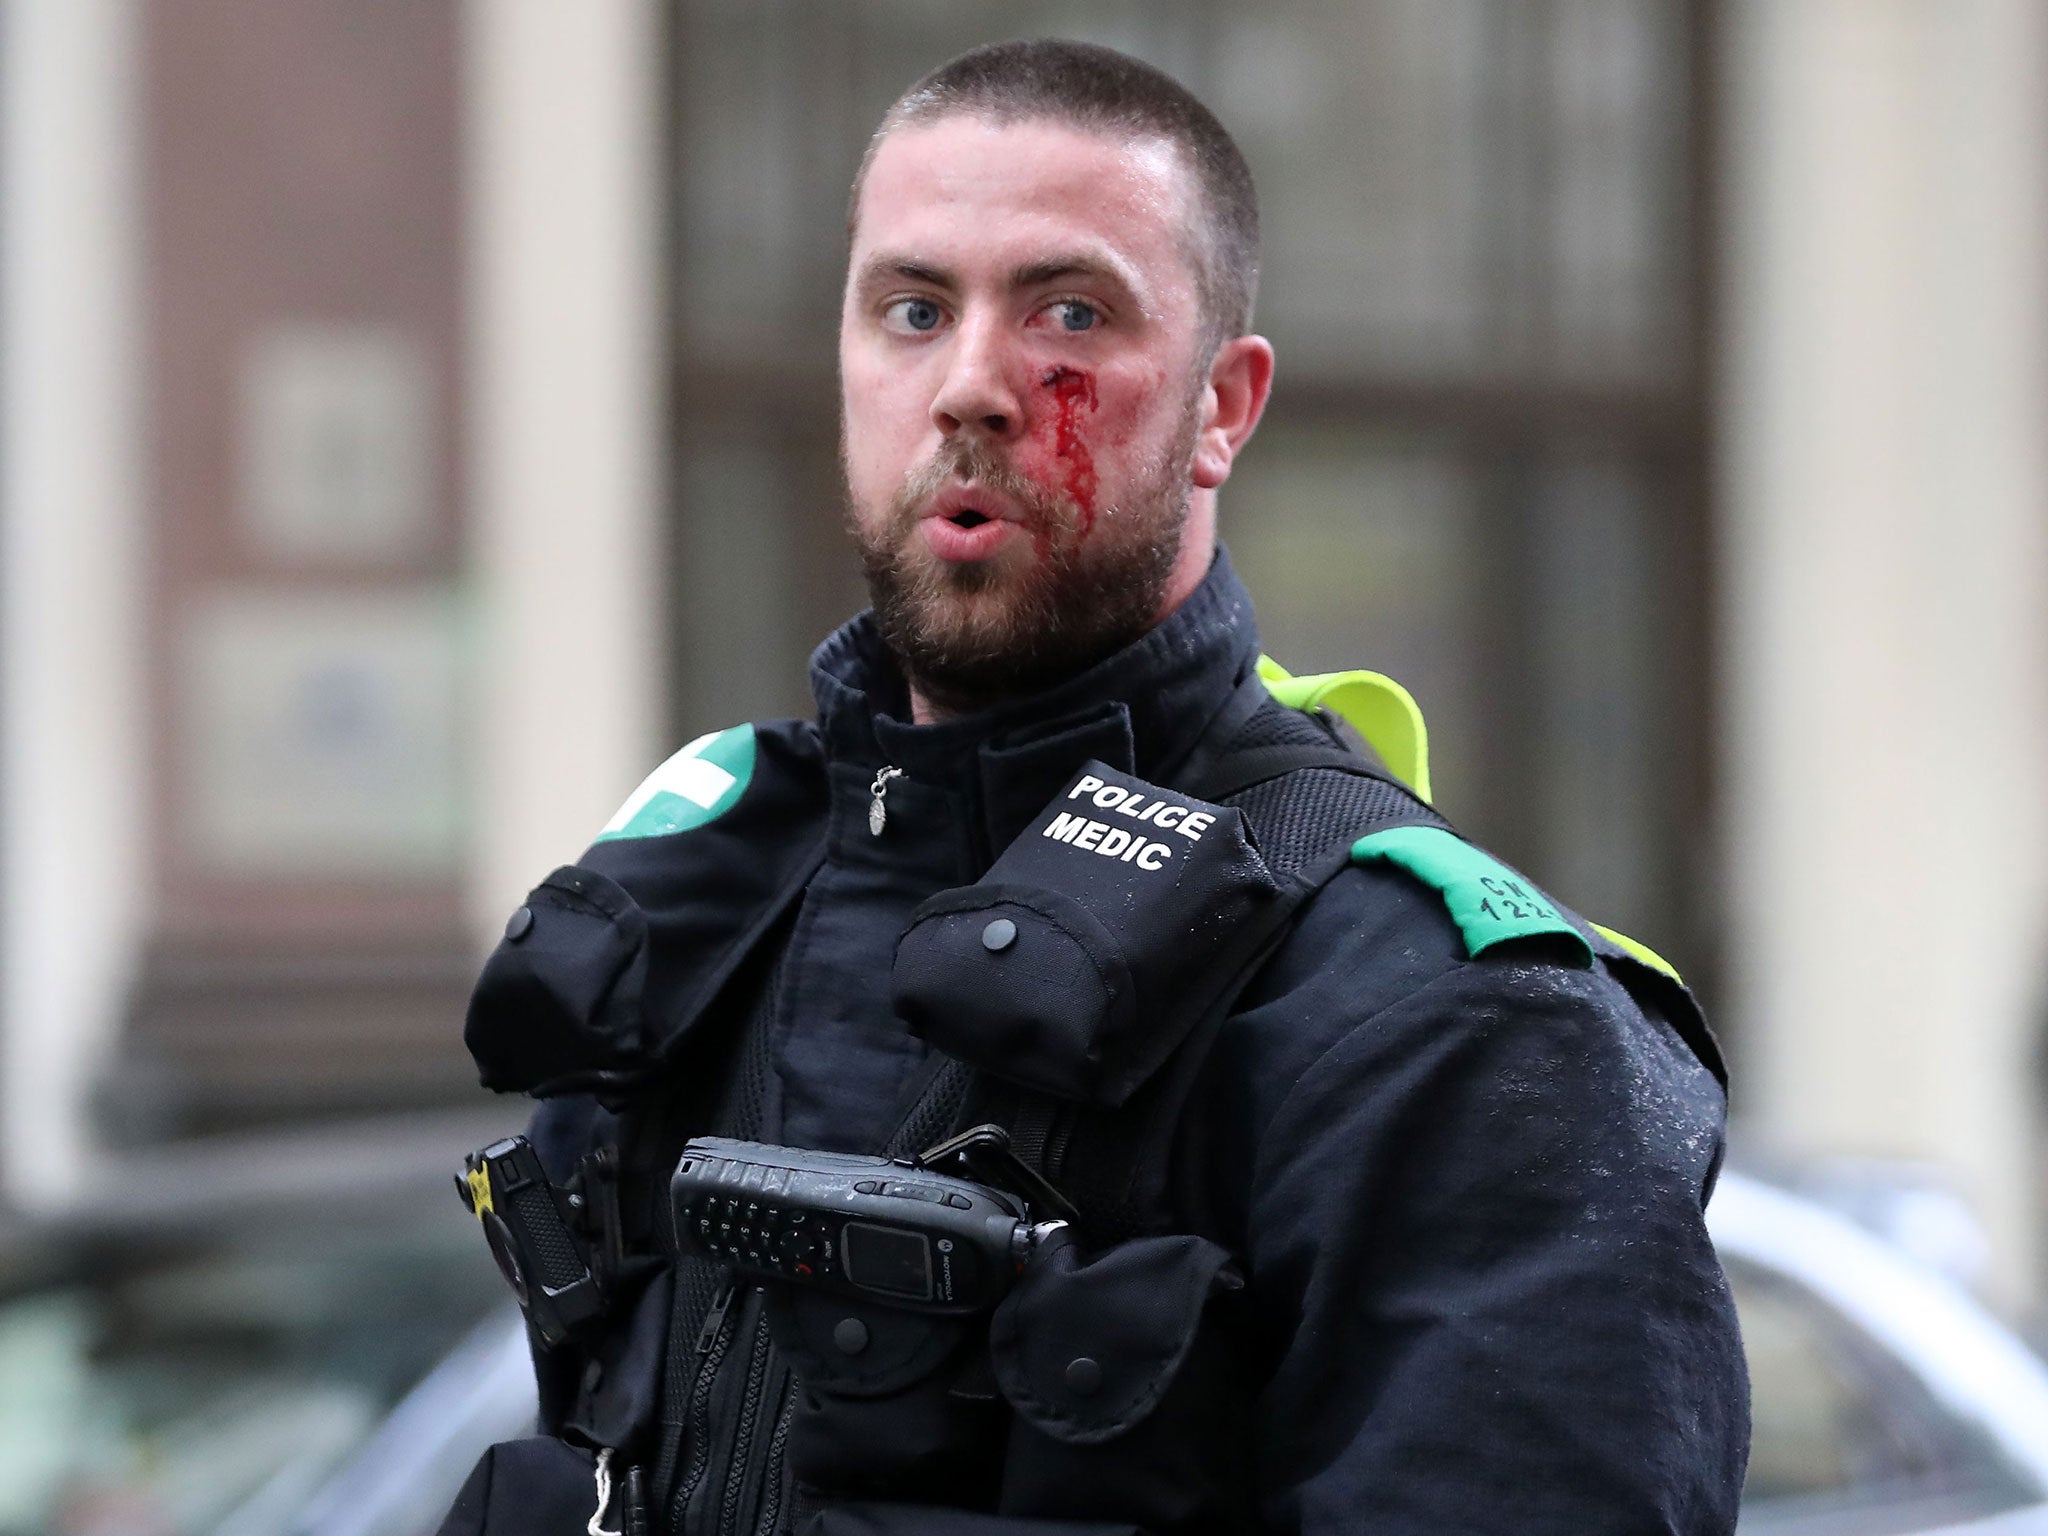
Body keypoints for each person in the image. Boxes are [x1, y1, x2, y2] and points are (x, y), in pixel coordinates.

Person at [443, 38, 1748, 1536]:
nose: (974, 385)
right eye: (913, 310)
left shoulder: (1458, 1022)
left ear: (1222, 407)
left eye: (1070, 311)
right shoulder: (712, 924)